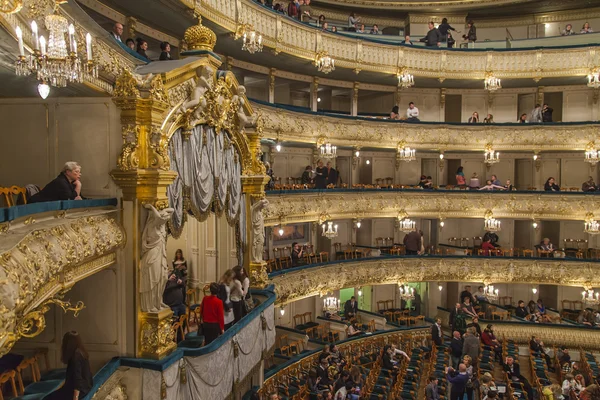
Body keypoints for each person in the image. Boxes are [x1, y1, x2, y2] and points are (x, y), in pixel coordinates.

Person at [45, 332, 92, 400]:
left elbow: (77, 379)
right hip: (86, 386)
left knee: (47, 398)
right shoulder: (81, 351)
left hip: (78, 390)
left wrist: (75, 397)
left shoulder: (76, 356)